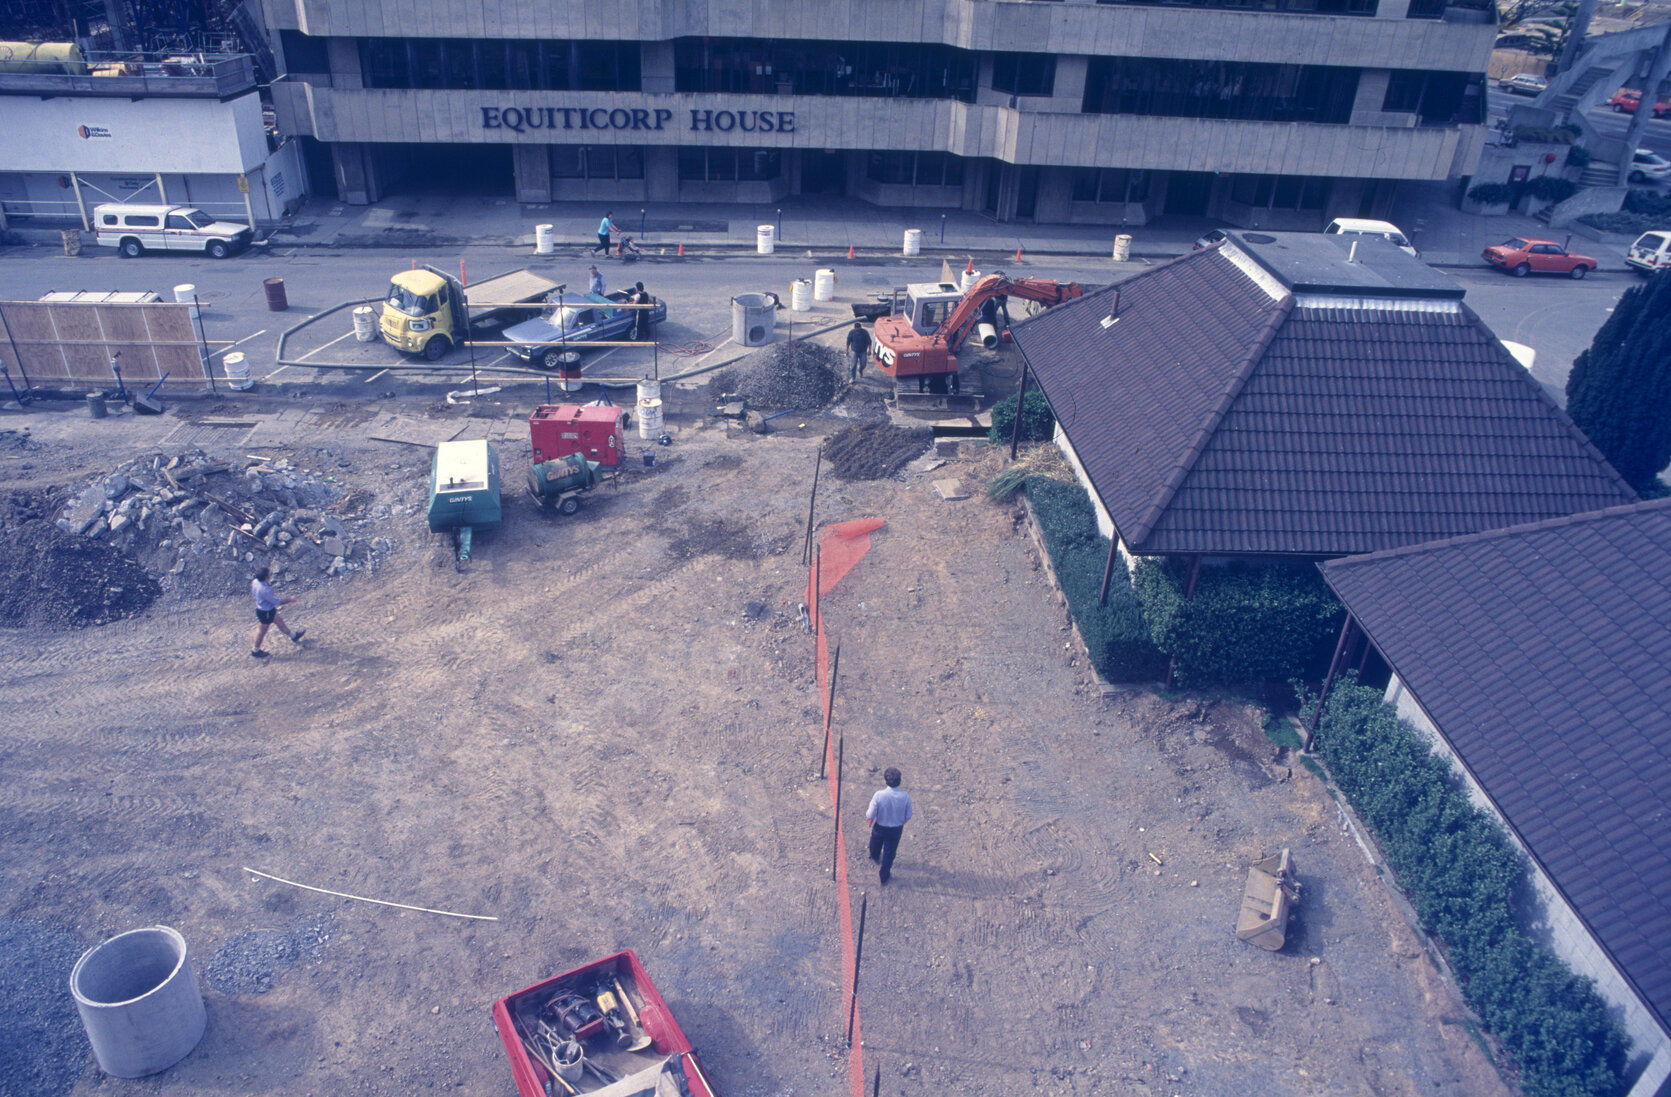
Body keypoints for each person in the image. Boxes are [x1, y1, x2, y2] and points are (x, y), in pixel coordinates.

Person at [865, 767, 912, 885]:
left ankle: (874, 856)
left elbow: (870, 814)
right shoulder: (905, 796)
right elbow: (908, 815)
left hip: (880, 827)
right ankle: (884, 876)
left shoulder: (879, 795)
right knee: (889, 853)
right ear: (899, 781)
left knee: (875, 842)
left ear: (886, 780)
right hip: (896, 830)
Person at [249, 565, 304, 658]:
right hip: (265, 613)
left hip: (266, 610)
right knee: (261, 632)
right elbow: (277, 602)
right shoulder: (265, 590)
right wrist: (290, 599)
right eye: (268, 574)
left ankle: (294, 636)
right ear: (266, 577)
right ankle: (255, 651)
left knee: (280, 622)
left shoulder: (255, 582)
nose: (270, 575)